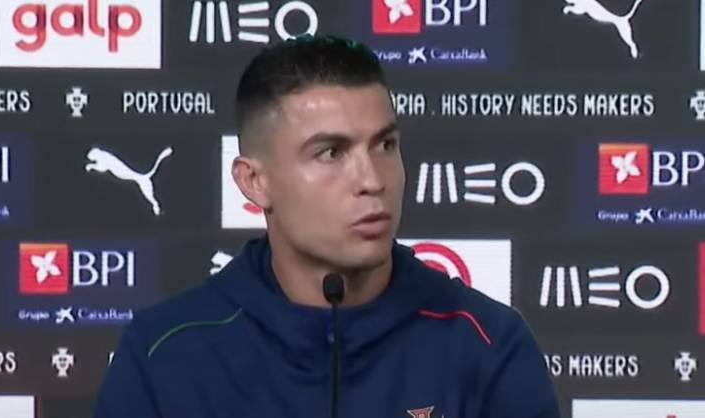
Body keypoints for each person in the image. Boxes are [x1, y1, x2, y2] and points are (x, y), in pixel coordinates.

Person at [92, 34, 560, 418]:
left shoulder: (487, 343)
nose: (372, 180)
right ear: (254, 182)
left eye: (385, 145)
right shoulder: (164, 352)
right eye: (331, 153)